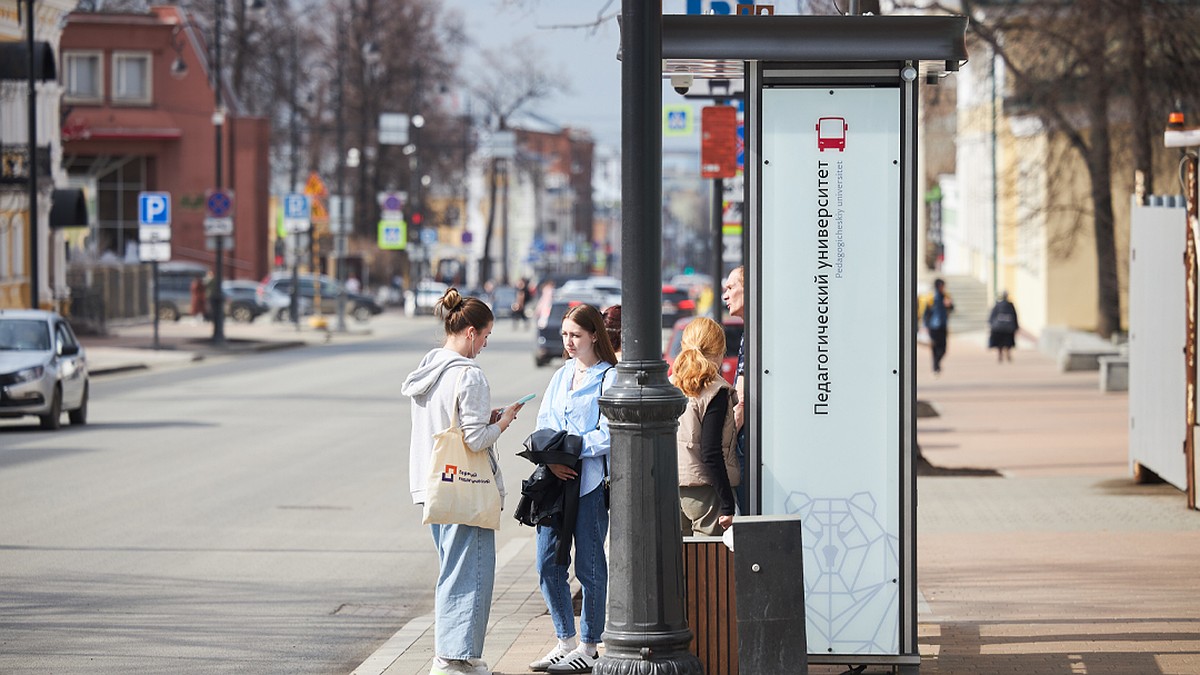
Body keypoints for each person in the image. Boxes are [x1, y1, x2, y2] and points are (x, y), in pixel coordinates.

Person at [400, 288, 525, 675]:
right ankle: (452, 658)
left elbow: (448, 425)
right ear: (470, 332)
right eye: (485, 336)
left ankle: (459, 655)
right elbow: (473, 439)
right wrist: (502, 422)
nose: (485, 344)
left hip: (432, 484)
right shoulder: (468, 374)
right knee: (469, 571)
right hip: (464, 487)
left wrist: (483, 418)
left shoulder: (429, 368)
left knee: (452, 567)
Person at [529, 303, 618, 674]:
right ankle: (564, 639)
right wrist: (552, 457)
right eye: (565, 334)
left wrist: (573, 452)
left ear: (594, 334)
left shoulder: (609, 377)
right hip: (555, 482)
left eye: (575, 335)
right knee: (547, 562)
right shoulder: (563, 374)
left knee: (590, 566)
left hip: (589, 484)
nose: (567, 342)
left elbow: (610, 433)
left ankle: (589, 644)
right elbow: (544, 420)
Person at [671, 317, 738, 536]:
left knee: (680, 562)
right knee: (708, 564)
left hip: (671, 485)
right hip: (705, 491)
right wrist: (727, 503)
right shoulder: (713, 390)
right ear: (719, 352)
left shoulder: (671, 384)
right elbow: (710, 451)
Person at [721, 266, 747, 513]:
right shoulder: (749, 332)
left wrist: (726, 439)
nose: (725, 296)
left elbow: (743, 401)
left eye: (731, 288)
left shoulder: (757, 333)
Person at [921, 278, 955, 374]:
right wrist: (925, 325)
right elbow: (926, 313)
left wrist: (949, 305)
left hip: (943, 325)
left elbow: (952, 308)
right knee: (935, 347)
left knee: (943, 348)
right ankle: (935, 366)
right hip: (933, 326)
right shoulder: (931, 297)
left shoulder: (946, 296)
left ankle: (937, 363)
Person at [988, 291, 1020, 363]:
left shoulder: (997, 305)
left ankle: (1000, 355)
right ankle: (1008, 354)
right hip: (1008, 328)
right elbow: (1014, 316)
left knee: (999, 343)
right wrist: (1016, 326)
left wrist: (991, 324)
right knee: (1008, 342)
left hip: (998, 327)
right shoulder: (1010, 305)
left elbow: (992, 316)